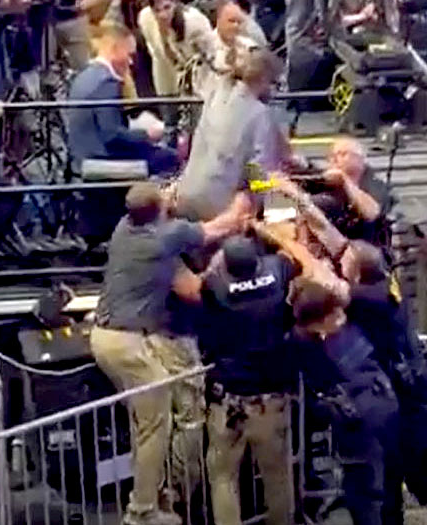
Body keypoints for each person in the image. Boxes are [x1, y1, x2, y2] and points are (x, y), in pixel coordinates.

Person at [90, 181, 249, 525]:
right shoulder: (165, 238)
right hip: (128, 342)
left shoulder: (125, 227)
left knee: (147, 422)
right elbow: (228, 223)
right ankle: (143, 510)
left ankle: (154, 497)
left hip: (108, 337)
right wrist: (248, 186)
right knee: (157, 425)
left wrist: (168, 197)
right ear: (160, 210)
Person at [339, 240, 427, 525]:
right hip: (400, 408)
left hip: (410, 413)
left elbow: (329, 285)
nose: (339, 265)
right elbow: (345, 248)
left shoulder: (370, 296)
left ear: (357, 272)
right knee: (390, 487)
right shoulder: (382, 280)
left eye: (344, 262)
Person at [200, 235, 297, 525]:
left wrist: (214, 266)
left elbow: (201, 287)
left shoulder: (216, 288)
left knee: (223, 478)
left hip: (228, 399)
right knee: (277, 477)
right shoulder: (277, 273)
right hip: (270, 399)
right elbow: (290, 258)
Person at [290, 278, 400, 525]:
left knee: (363, 495)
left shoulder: (311, 345)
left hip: (357, 425)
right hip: (385, 409)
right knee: (384, 490)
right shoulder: (356, 324)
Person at [176, 47, 287, 220]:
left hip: (184, 194)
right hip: (218, 207)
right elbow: (259, 177)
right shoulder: (259, 113)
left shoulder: (214, 96)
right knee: (285, 205)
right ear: (265, 80)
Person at [67, 22, 179, 175]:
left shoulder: (85, 75)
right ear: (115, 49)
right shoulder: (106, 83)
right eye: (129, 55)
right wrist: (147, 134)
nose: (131, 62)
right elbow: (111, 136)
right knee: (169, 157)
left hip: (84, 156)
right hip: (99, 160)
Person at [313, 137, 391, 249]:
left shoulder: (375, 184)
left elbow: (371, 213)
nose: (335, 160)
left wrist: (344, 180)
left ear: (359, 159)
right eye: (332, 156)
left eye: (342, 154)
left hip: (367, 246)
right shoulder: (326, 184)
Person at [137, 0, 214, 96]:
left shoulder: (194, 22)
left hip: (197, 81)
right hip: (165, 79)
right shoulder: (145, 19)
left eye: (167, 7)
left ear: (174, 3)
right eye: (157, 10)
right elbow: (158, 54)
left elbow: (208, 55)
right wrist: (163, 35)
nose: (163, 15)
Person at [211, 0, 267, 74]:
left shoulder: (251, 45)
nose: (236, 25)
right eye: (231, 21)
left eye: (239, 22)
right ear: (218, 20)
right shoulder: (208, 45)